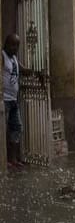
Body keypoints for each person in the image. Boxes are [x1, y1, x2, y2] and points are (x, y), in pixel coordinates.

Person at [2, 33, 28, 169]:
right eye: (13, 44)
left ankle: (13, 159)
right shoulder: (2, 56)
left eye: (17, 45)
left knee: (16, 128)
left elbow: (23, 70)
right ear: (6, 44)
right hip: (4, 100)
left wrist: (36, 72)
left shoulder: (14, 59)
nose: (15, 48)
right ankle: (4, 160)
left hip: (13, 100)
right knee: (3, 130)